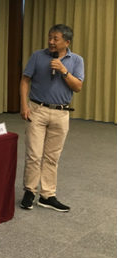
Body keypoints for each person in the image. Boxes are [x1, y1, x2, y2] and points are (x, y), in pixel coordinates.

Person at [19, 24, 84, 212]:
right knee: (34, 154)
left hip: (61, 113)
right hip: (37, 110)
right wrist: (24, 105)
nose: (51, 41)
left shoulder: (76, 60)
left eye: (56, 38)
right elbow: (25, 81)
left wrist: (64, 70)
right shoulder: (37, 56)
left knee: (52, 157)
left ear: (67, 42)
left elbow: (77, 87)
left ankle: (47, 195)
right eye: (50, 37)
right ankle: (30, 191)